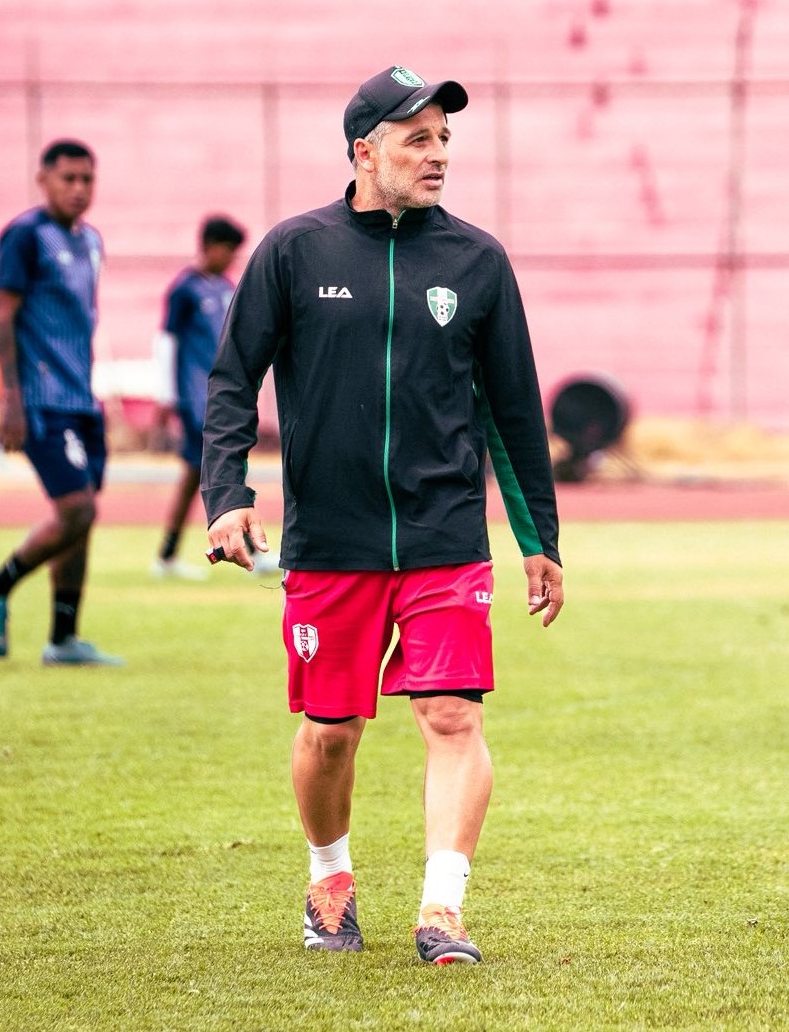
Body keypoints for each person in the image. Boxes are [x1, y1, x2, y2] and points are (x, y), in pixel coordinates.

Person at [201, 66, 564, 965]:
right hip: (331, 540)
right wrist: (227, 496)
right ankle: (329, 881)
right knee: (330, 733)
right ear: (364, 151)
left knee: (452, 717)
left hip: (445, 535)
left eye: (443, 139)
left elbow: (513, 411)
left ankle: (443, 909)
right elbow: (233, 382)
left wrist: (539, 541)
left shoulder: (477, 261)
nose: (437, 155)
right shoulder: (294, 251)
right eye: (417, 139)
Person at [0, 138, 123, 667]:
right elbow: (2, 315)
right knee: (77, 510)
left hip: (82, 399)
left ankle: (63, 639)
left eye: (87, 179)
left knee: (82, 518)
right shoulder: (25, 235)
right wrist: (10, 397)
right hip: (40, 400)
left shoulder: (91, 240)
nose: (79, 189)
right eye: (68, 179)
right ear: (44, 180)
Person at [151, 216, 280, 579]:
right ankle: (251, 549)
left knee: (197, 474)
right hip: (197, 401)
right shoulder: (185, 290)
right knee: (225, 465)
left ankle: (167, 555)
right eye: (228, 251)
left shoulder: (225, 287)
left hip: (221, 398)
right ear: (209, 247)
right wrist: (166, 396)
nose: (232, 259)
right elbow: (166, 342)